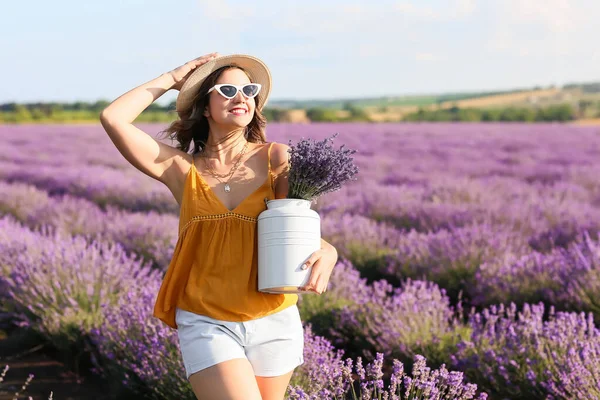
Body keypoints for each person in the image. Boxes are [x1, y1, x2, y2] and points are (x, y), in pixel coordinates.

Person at [99, 52, 339, 400]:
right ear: (205, 107)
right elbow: (113, 118)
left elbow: (293, 227)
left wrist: (328, 249)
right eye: (226, 90)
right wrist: (172, 77)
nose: (241, 96)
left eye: (248, 90)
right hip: (206, 320)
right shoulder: (180, 170)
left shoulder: (277, 158)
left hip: (273, 317)